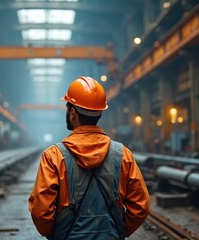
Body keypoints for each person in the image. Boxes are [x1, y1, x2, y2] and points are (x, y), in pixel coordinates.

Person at [29, 76, 150, 239]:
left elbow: (40, 211)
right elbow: (140, 207)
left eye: (67, 107)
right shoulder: (122, 155)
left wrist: (56, 233)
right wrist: (119, 230)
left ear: (72, 113)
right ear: (99, 112)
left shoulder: (53, 156)